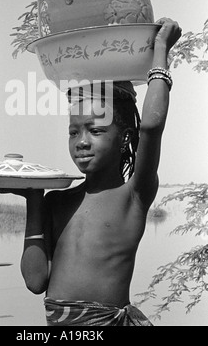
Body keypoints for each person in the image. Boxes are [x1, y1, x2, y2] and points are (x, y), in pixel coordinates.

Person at [14, 18, 182, 326]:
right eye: (73, 132)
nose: (81, 142)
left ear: (126, 138)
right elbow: (35, 281)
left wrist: (160, 51)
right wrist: (33, 198)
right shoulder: (56, 202)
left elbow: (152, 126)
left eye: (95, 130)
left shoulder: (133, 195)